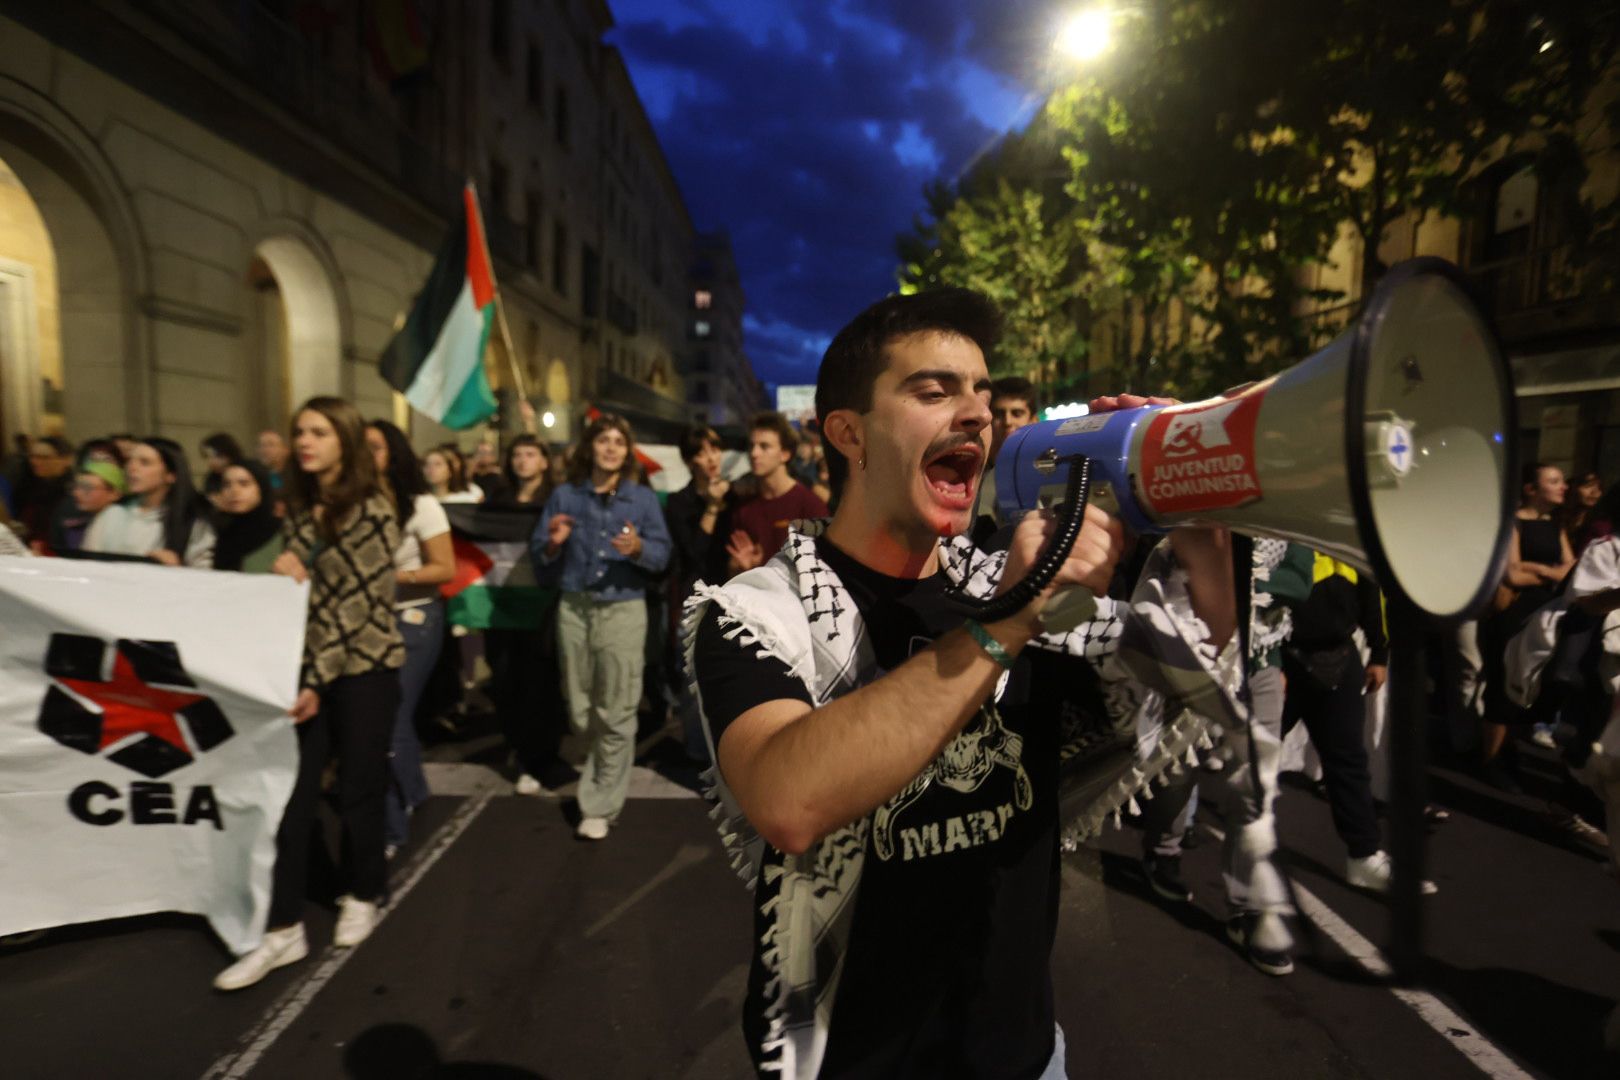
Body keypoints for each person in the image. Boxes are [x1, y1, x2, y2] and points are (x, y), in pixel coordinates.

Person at [687, 289, 1201, 1077]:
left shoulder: (998, 579)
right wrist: (1011, 621)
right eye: (934, 391)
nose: (977, 416)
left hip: (1024, 1058)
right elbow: (787, 800)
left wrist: (1201, 498)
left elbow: (1184, 672)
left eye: (984, 396)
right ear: (849, 433)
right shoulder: (762, 609)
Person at [214, 397, 404, 991]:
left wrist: (316, 679)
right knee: (292, 798)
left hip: (366, 667)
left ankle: (364, 891)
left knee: (357, 790)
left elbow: (354, 609)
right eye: (300, 431)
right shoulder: (296, 509)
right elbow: (306, 596)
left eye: (319, 431)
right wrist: (284, 574)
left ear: (344, 440)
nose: (305, 441)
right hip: (308, 672)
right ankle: (283, 928)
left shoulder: (373, 508)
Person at [534, 414, 671, 841]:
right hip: (574, 608)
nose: (611, 448)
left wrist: (638, 549)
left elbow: (662, 555)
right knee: (579, 708)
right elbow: (541, 560)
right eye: (603, 440)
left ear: (627, 452)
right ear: (589, 447)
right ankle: (599, 770)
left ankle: (598, 804)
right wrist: (553, 544)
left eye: (618, 441)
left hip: (623, 610)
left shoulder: (641, 500)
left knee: (617, 708)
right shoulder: (564, 496)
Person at [1281, 552, 1438, 895]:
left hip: (1338, 654)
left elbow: (1370, 587)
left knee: (1348, 760)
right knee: (1249, 752)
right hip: (1280, 658)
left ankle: (1364, 856)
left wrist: (1379, 652)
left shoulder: (1340, 525)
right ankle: (1184, 828)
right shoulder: (1287, 522)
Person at [366, 420, 455, 856]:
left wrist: (391, 578)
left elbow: (445, 569)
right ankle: (415, 791)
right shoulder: (354, 502)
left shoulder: (422, 505)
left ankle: (391, 827)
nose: (365, 456)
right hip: (365, 622)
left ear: (394, 453)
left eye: (375, 448)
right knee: (385, 719)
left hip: (413, 619)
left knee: (388, 718)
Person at [1480, 462, 1576, 789]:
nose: (1563, 486)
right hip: (1513, 613)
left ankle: (1509, 753)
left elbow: (1571, 570)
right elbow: (1512, 574)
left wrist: (1539, 569)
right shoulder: (1513, 523)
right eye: (1554, 480)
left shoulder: (1555, 524)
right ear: (1531, 489)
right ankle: (1491, 760)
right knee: (1503, 685)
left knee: (1528, 686)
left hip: (1545, 613)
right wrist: (1552, 570)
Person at [484, 435, 569, 794]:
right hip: (503, 606)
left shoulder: (556, 501)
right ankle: (518, 748)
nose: (522, 461)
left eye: (531, 454)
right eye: (516, 454)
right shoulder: (496, 502)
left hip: (542, 606)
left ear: (545, 461)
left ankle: (541, 755)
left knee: (540, 681)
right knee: (505, 681)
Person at [663, 424, 734, 761]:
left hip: (735, 592)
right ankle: (696, 751)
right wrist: (711, 508)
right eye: (702, 452)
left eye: (715, 449)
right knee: (693, 677)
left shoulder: (736, 495)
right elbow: (694, 553)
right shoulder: (680, 502)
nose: (711, 458)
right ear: (690, 460)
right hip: (697, 596)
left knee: (733, 675)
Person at [82, 437, 215, 567]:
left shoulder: (193, 522)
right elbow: (87, 566)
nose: (132, 468)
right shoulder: (111, 515)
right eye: (129, 460)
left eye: (145, 462)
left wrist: (177, 570)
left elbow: (205, 579)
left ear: (170, 475)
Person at [726, 412, 829, 575]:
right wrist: (741, 568)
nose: (754, 453)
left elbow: (824, 570)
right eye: (751, 446)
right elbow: (733, 569)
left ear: (785, 454)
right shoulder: (743, 510)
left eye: (764, 446)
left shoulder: (810, 506)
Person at [972, 376, 1038, 542]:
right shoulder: (972, 469)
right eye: (1000, 414)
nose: (1008, 422)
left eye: (1017, 413)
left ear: (1033, 420)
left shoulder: (1046, 471)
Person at [211, 461, 284, 572]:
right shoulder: (219, 530)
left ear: (262, 488)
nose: (234, 491)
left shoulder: (279, 530)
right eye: (227, 485)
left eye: (244, 484)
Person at [47, 461, 126, 554]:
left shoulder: (119, 520)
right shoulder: (71, 514)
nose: (76, 493)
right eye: (75, 486)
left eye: (87, 488)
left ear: (115, 494)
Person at [13, 435, 74, 545]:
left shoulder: (73, 491)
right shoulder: (26, 485)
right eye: (32, 456)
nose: (35, 462)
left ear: (67, 460)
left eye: (44, 457)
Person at [199, 432, 244, 505]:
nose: (211, 462)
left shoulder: (246, 474)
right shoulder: (211, 479)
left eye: (217, 456)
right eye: (207, 456)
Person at [257, 429, 290, 493]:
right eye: (262, 445)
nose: (265, 450)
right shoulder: (256, 477)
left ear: (285, 450)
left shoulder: (296, 477)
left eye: (271, 445)